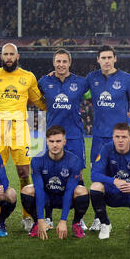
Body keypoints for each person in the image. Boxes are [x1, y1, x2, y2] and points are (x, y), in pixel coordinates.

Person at [0, 43, 46, 232]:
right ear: (1, 56)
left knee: (24, 172)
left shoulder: (28, 77)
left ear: (17, 56)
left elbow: (39, 100)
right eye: (5, 54)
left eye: (12, 54)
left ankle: (27, 216)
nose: (9, 57)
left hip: (20, 128)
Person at [85, 45, 130, 231]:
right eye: (103, 57)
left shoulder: (127, 79)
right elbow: (74, 87)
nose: (107, 61)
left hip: (122, 138)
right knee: (99, 178)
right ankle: (99, 219)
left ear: (115, 59)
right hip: (99, 138)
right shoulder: (91, 78)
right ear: (98, 60)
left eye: (110, 57)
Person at [38, 49, 90, 229]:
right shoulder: (44, 81)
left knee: (78, 176)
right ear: (53, 63)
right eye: (58, 61)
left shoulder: (81, 83)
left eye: (64, 61)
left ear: (70, 63)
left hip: (74, 135)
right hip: (52, 136)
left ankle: (78, 218)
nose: (61, 65)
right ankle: (48, 217)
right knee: (49, 174)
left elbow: (95, 94)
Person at [20, 125, 89, 240]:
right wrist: (41, 219)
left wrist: (63, 220)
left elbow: (69, 191)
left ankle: (76, 223)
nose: (55, 145)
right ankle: (37, 223)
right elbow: (39, 189)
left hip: (65, 197)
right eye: (51, 141)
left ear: (64, 142)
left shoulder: (74, 161)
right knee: (27, 190)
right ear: (46, 141)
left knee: (82, 191)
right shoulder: (37, 159)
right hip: (47, 197)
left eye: (58, 141)